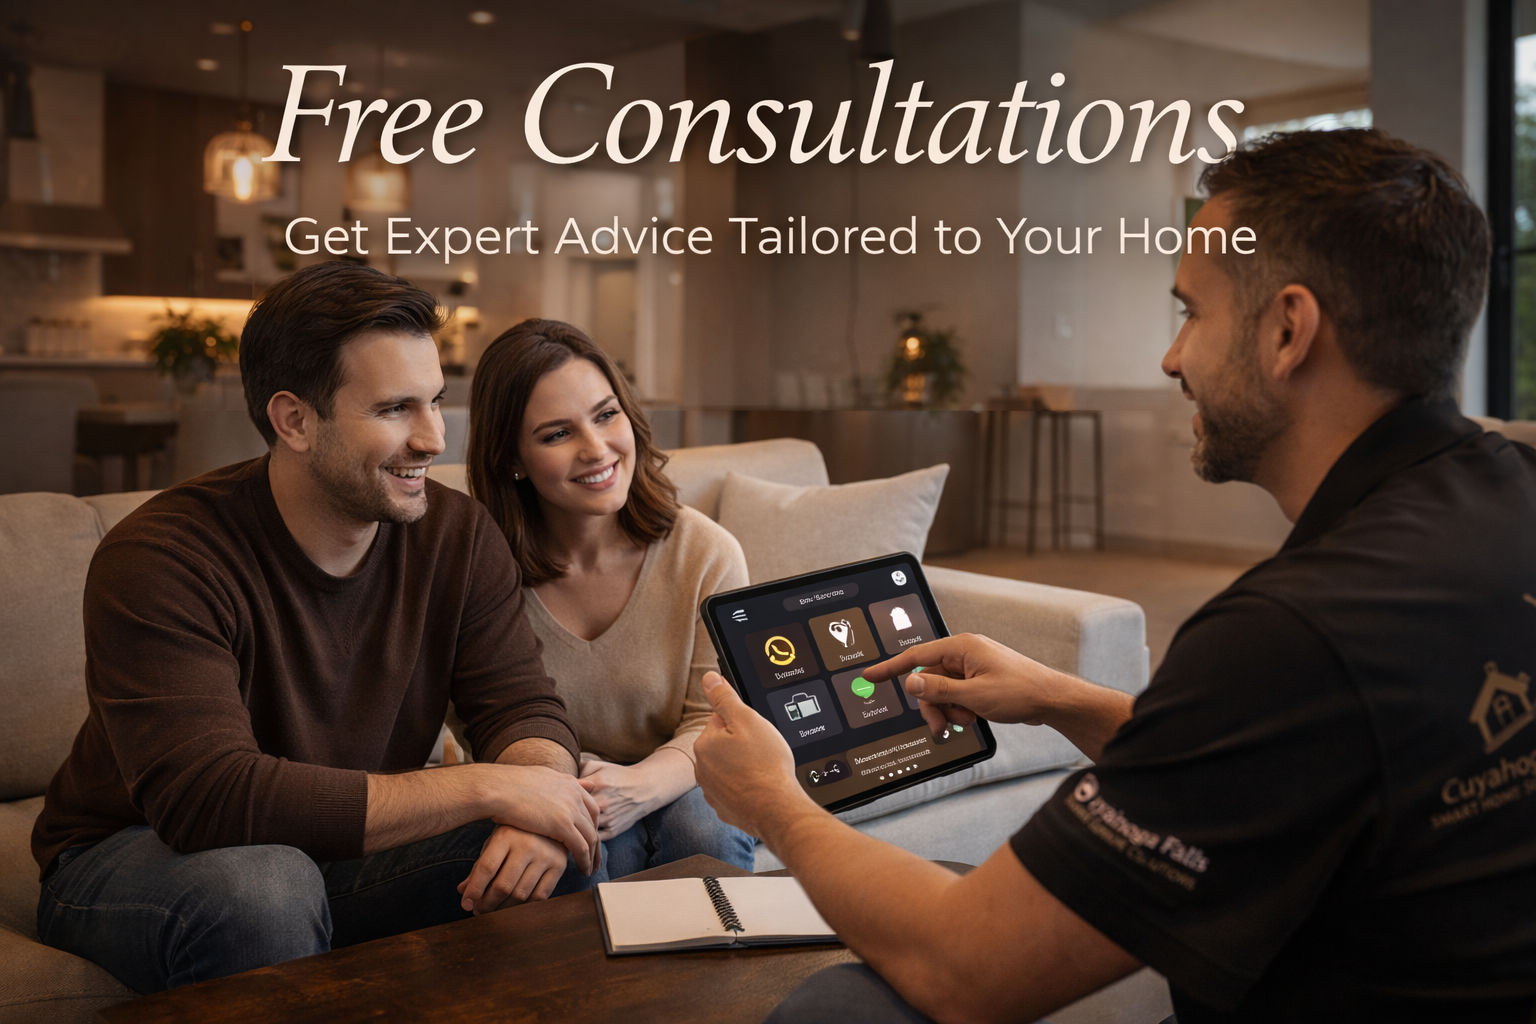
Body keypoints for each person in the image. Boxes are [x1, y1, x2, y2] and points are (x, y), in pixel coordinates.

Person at [693, 128, 1536, 1023]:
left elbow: (964, 970)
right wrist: (1063, 698)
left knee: (841, 1009)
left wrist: (774, 804)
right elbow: (1303, 755)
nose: (1173, 359)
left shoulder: (1293, 633)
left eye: (1191, 313)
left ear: (1288, 330)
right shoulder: (1511, 496)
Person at [32, 262, 602, 994]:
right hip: (136, 853)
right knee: (265, 887)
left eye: (436, 402)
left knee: (560, 848)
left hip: (337, 851)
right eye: (396, 409)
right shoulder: (162, 556)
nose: (432, 438)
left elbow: (520, 706)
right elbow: (209, 797)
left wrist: (541, 801)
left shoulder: (456, 533)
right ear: (294, 420)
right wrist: (489, 789)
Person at [465, 319, 755, 880]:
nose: (597, 449)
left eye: (606, 415)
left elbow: (717, 717)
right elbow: (473, 724)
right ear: (511, 458)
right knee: (589, 852)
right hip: (554, 786)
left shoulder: (705, 553)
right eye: (556, 434)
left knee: (704, 827)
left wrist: (641, 786)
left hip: (681, 776)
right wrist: (574, 788)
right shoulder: (482, 566)